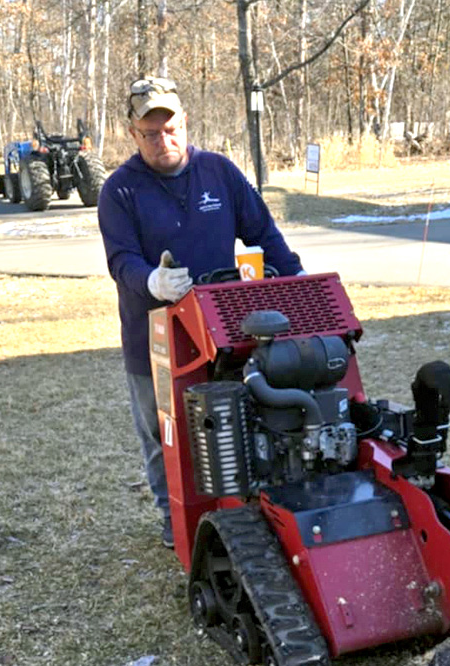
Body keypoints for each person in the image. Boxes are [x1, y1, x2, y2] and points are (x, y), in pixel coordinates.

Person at [97, 75, 305, 548]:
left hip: (226, 329)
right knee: (163, 434)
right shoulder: (120, 191)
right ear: (133, 133)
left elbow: (264, 236)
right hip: (154, 335)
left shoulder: (220, 173)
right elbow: (121, 260)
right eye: (150, 133)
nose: (162, 140)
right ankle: (176, 524)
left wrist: (295, 284)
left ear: (185, 124)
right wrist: (152, 280)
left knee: (235, 418)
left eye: (170, 129)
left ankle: (244, 512)